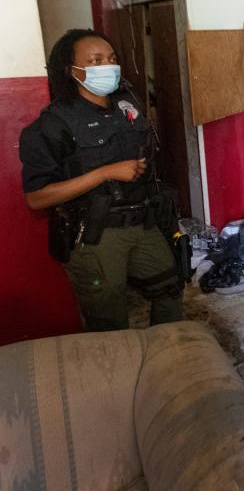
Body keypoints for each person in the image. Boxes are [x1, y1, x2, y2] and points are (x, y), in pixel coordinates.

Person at [19, 29, 183, 331]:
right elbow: (37, 197)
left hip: (144, 221)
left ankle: (169, 356)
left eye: (111, 58)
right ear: (72, 71)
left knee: (170, 285)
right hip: (96, 234)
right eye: (95, 61)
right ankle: (116, 373)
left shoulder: (126, 103)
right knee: (108, 317)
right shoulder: (53, 124)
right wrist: (105, 173)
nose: (107, 66)